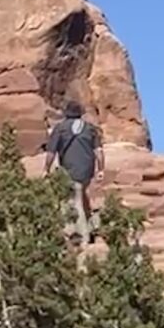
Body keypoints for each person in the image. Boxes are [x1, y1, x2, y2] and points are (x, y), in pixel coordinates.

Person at [41, 101, 103, 244]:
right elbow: (99, 151)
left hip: (69, 169)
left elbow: (51, 152)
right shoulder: (90, 129)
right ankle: (93, 227)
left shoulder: (60, 128)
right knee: (81, 195)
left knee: (74, 201)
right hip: (87, 170)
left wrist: (46, 169)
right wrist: (101, 169)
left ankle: (81, 237)